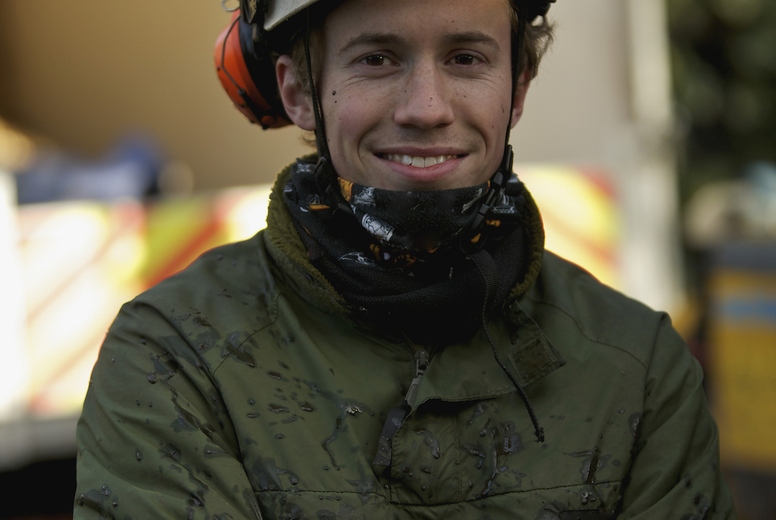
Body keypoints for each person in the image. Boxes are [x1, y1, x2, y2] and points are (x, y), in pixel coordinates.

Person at [74, 0, 736, 518]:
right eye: (377, 60)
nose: (426, 108)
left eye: (467, 59)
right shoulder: (179, 359)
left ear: (518, 86)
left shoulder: (636, 367)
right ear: (299, 91)